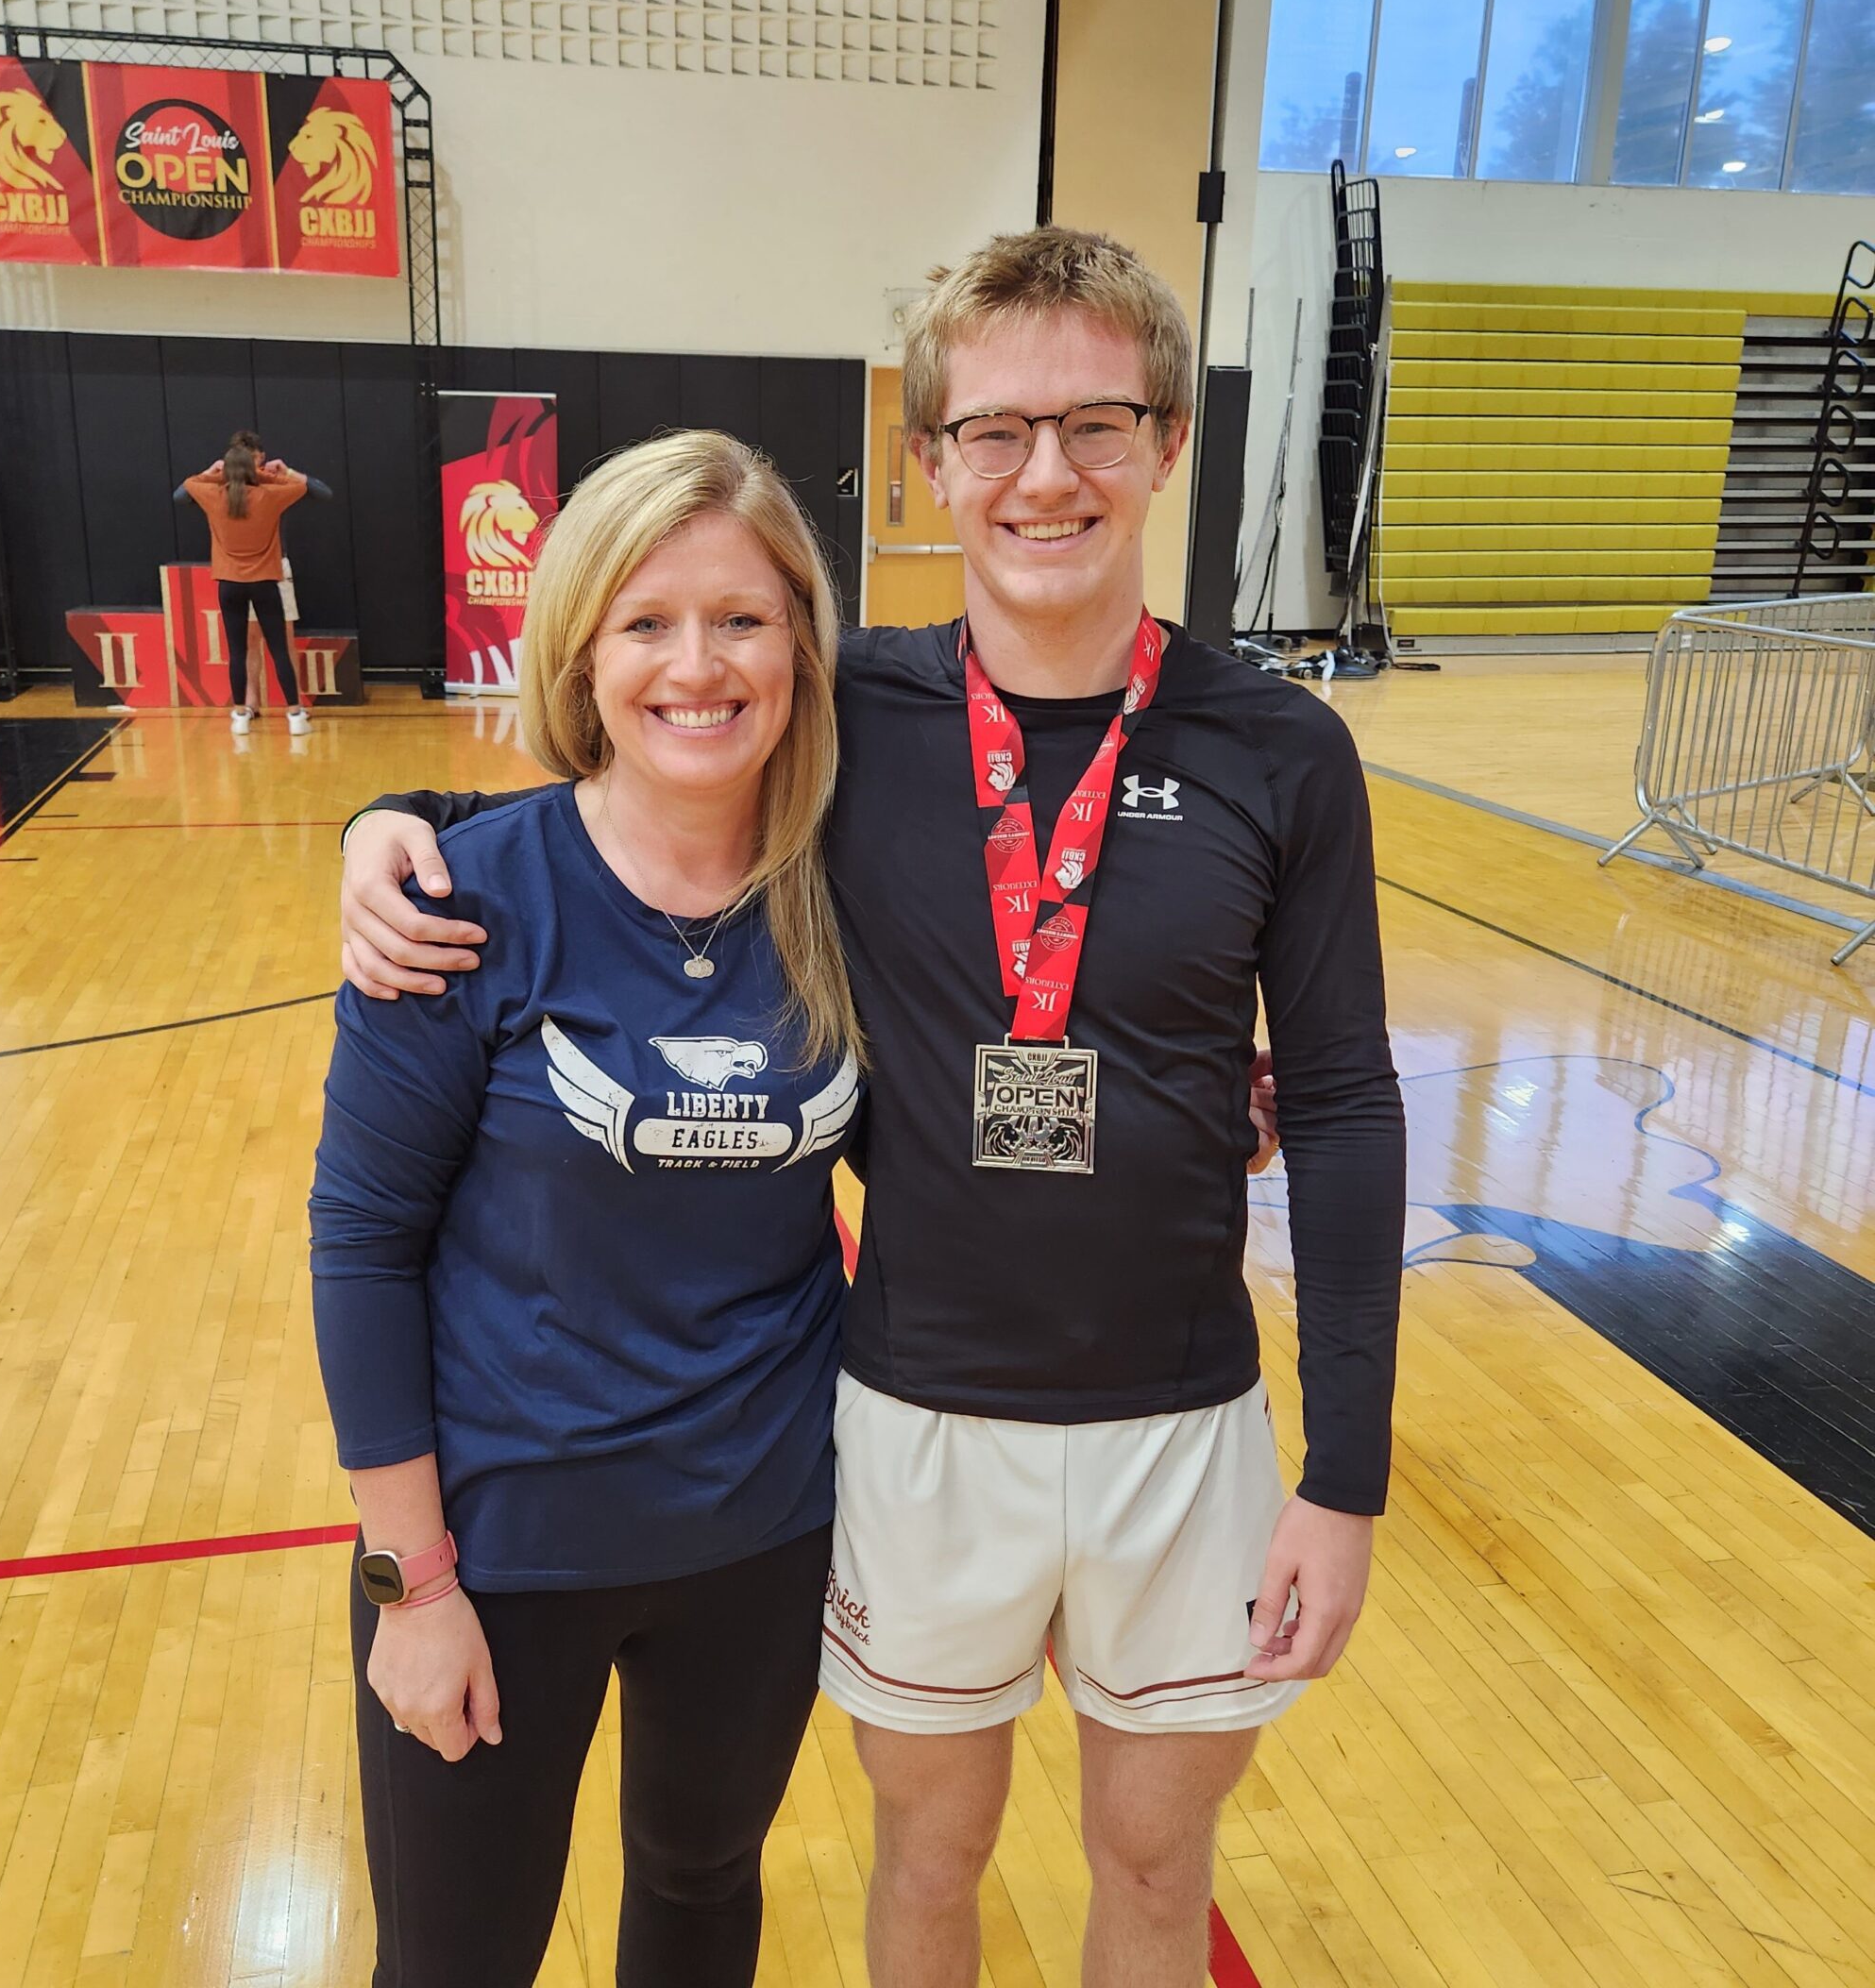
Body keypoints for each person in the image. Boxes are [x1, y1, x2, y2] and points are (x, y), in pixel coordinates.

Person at [339, 227, 1405, 1988]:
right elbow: (633, 775)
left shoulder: (1284, 751)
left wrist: (1346, 1473)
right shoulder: (849, 717)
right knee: (930, 1856)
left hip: (1187, 1422)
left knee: (1155, 1863)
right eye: (993, 431)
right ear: (928, 461)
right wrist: (396, 820)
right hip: (914, 1420)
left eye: (1096, 425)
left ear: (1167, 444)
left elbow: (1350, 1106)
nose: (1044, 475)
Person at [310, 430, 864, 1988]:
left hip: (763, 1543)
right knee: (457, 1959)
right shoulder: (458, 909)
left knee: (700, 1897)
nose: (700, 664)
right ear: (582, 650)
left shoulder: (849, 890)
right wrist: (408, 1586)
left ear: (803, 644)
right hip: (499, 1556)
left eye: (743, 618)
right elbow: (361, 1248)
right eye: (648, 623)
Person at [177, 430, 330, 736]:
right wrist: (281, 474)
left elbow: (182, 492)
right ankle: (293, 714)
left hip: (231, 581)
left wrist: (211, 473)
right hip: (265, 579)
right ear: (250, 464)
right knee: (274, 649)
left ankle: (239, 717)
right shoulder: (271, 495)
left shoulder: (213, 494)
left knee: (238, 651)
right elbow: (312, 489)